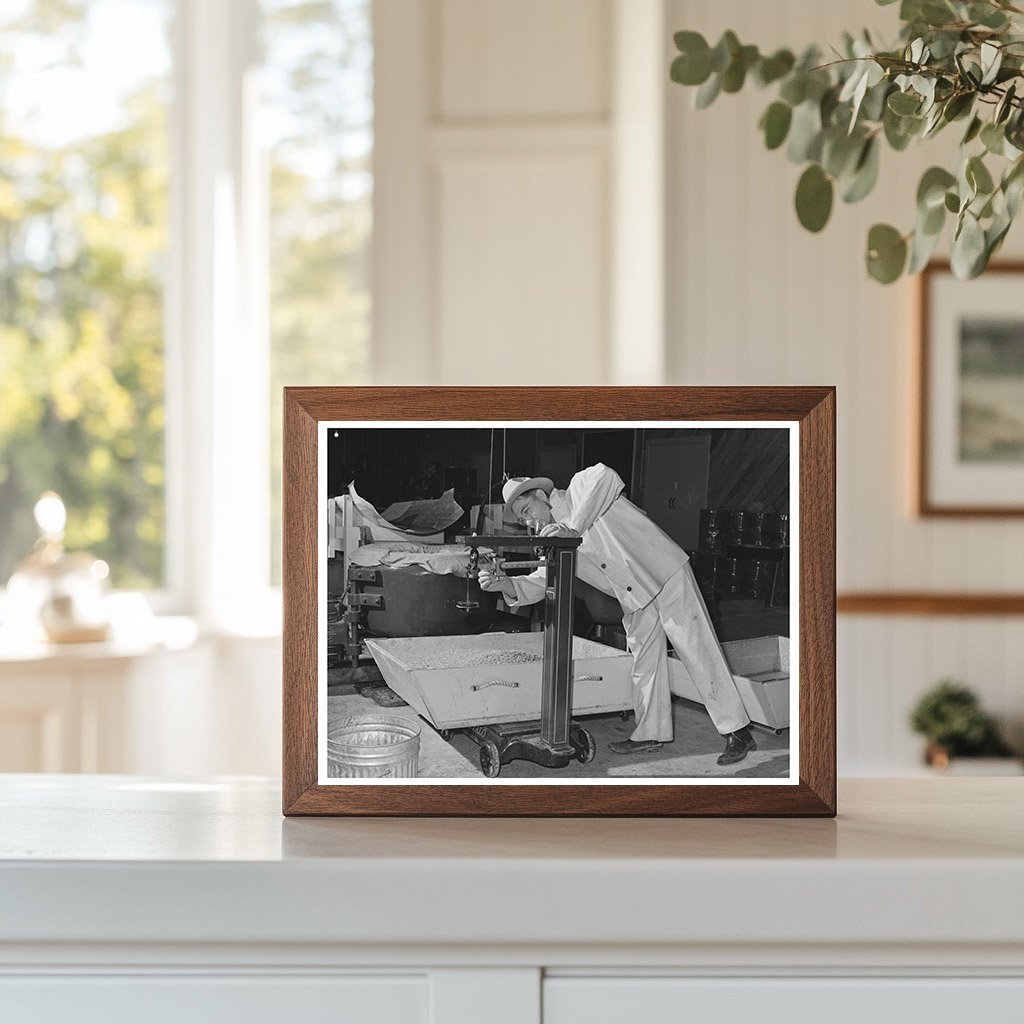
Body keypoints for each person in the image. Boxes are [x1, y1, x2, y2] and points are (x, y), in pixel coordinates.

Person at [478, 464, 756, 765]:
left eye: (527, 509)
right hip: (634, 596)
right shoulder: (555, 539)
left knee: (696, 648)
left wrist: (572, 528)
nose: (528, 520)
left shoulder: (580, 487)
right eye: (522, 519)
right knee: (644, 663)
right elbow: (547, 577)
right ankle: (651, 733)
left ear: (543, 497)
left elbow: (608, 476)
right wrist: (505, 583)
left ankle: (738, 731)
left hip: (663, 571)